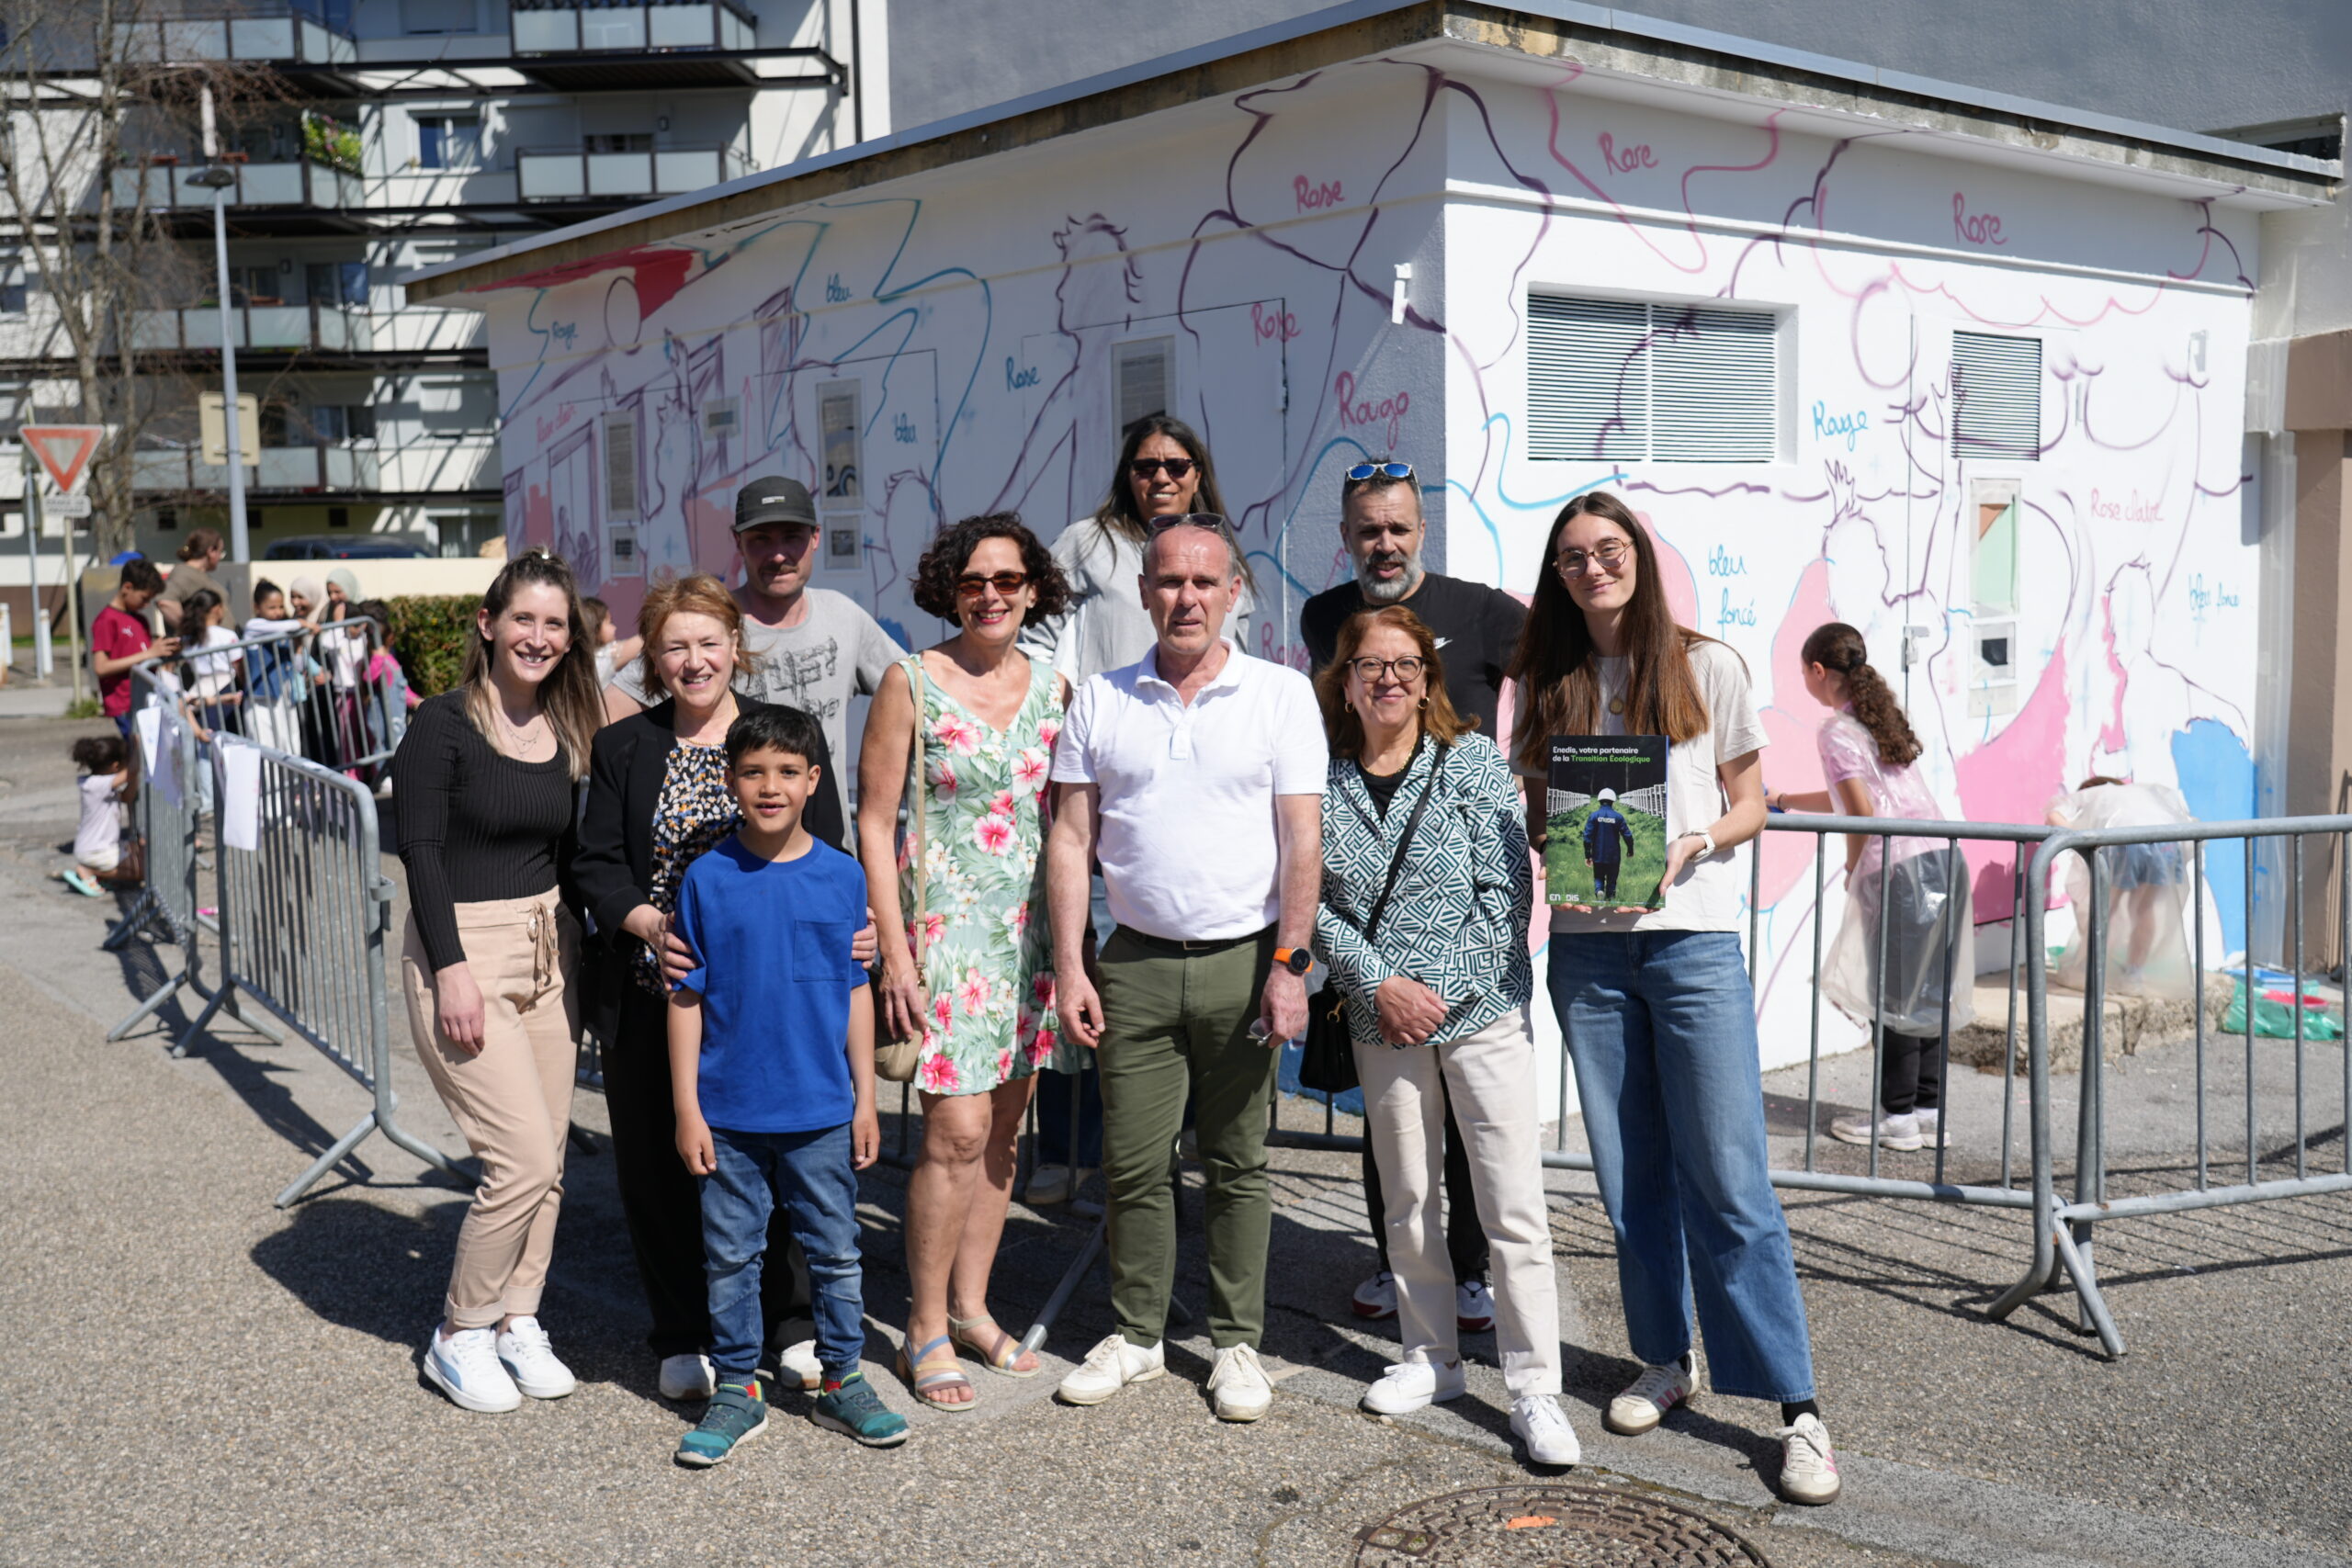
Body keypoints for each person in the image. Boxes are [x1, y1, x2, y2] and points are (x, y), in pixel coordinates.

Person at [1509, 491, 1840, 1506]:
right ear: (1555, 575)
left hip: (1691, 944)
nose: (1592, 568)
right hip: (1588, 955)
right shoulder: (1550, 679)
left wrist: (1695, 842)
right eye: (1572, 557)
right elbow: (1536, 813)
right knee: (1628, 1181)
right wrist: (1554, 845)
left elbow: (1749, 801)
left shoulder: (1709, 664)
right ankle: (1664, 1358)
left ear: (1638, 559)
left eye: (1607, 550)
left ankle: (1796, 1407)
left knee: (1730, 1181)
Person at [1046, 513, 1324, 1423]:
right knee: (1131, 1166)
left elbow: (1300, 841)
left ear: (1233, 593)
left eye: (1205, 582)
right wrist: (1072, 967)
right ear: (1143, 592)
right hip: (1133, 963)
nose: (1186, 597)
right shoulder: (1101, 698)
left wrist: (1290, 966)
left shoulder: (1280, 695)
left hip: (1246, 961)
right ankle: (1135, 1334)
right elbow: (1071, 836)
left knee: (1239, 1162)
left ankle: (1237, 1344)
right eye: (1168, 581)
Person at [576, 573, 865, 1404]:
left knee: (787, 1159)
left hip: (776, 998)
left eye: (709, 642)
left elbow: (830, 851)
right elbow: (596, 861)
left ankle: (787, 1322)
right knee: (665, 1161)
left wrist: (863, 932)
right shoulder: (624, 749)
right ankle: (680, 1329)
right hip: (655, 990)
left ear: (737, 645)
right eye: (675, 646)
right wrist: (646, 925)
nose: (694, 660)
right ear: (654, 659)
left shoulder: (783, 739)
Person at [1312, 605, 1577, 1467]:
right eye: (1370, 663)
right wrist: (1381, 985)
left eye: (1406, 664)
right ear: (1345, 679)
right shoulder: (1324, 780)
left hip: (1482, 1011)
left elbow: (1506, 894)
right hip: (1378, 1014)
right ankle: (1431, 1357)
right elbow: (1312, 901)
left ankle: (1536, 1386)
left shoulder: (1471, 764)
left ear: (1427, 678)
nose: (1388, 678)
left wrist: (1436, 992)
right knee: (1408, 1196)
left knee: (1510, 1206)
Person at [1298, 458, 1527, 1331]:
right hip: (1368, 894)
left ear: (1420, 529)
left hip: (1466, 901)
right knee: (1388, 1116)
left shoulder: (1484, 610)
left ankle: (1470, 1269)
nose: (1383, 543)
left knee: (1473, 1117)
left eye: (1397, 527)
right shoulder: (1326, 617)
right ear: (1348, 536)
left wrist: (1543, 785)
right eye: (1367, 529)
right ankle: (1399, 1262)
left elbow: (1565, 673)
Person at [855, 514, 1073, 1409]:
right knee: (952, 1131)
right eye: (974, 581)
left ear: (1033, 590)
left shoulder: (1058, 688)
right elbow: (872, 821)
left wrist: (1073, 944)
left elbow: (1068, 820)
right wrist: (894, 953)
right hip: (942, 939)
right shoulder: (911, 681)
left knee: (1003, 1135)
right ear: (950, 588)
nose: (991, 595)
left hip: (1027, 941)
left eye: (1008, 581)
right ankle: (923, 1327)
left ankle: (976, 1309)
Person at [1018, 416, 1256, 1205]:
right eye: (1145, 464)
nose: (1160, 476)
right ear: (1127, 472)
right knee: (1076, 948)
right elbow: (1044, 641)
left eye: (1177, 464)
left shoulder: (1224, 552)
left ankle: (1164, 1140)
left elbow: (1241, 659)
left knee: (1165, 961)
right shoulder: (1085, 543)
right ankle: (1063, 1144)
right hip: (1097, 758)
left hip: (1182, 780)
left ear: (1198, 471)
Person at [666, 706, 910, 1462]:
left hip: (820, 1110)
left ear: (812, 781)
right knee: (732, 1255)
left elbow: (854, 990)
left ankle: (842, 1379)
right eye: (752, 771)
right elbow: (686, 997)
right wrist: (686, 1108)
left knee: (836, 1250)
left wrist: (865, 1095)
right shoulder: (705, 877)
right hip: (730, 1112)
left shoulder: (843, 875)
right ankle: (738, 1387)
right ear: (730, 779)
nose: (769, 786)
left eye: (785, 771)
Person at [391, 547, 604, 1416]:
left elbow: (557, 851)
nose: (540, 636)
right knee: (514, 1159)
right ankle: (460, 1331)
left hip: (548, 948)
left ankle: (520, 1316)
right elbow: (421, 850)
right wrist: (450, 968)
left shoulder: (564, 726)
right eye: (524, 618)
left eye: (556, 623)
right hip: (464, 950)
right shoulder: (442, 724)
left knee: (548, 1160)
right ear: (487, 623)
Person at [603, 475, 904, 842]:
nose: (778, 555)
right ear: (738, 543)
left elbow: (916, 695)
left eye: (791, 536)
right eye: (761, 539)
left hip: (821, 850)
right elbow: (609, 717)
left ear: (815, 538)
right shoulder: (709, 625)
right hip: (724, 852)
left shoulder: (844, 617)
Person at [1769, 623, 1974, 1153]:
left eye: (1804, 674)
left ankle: (1895, 1117)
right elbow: (1858, 797)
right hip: (1943, 860)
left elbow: (1861, 813)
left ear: (1818, 671)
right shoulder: (1874, 719)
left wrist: (1851, 869)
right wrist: (1787, 797)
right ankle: (1926, 1110)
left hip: (1898, 873)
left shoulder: (1835, 730)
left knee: (1895, 997)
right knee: (1928, 992)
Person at [2044, 775, 2198, 999]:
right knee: (2145, 909)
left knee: (2108, 908)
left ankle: (2096, 971)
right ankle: (2133, 974)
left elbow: (2053, 815)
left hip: (2122, 838)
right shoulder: (2143, 792)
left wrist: (2082, 838)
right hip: (2165, 840)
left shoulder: (2090, 794)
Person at [92, 558, 179, 739]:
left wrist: (165, 650)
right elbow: (101, 667)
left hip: (147, 699)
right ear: (127, 587)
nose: (147, 605)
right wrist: (149, 653)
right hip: (125, 704)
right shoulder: (107, 620)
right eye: (144, 598)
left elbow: (144, 656)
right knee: (138, 758)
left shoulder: (140, 620)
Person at [241, 580, 316, 756]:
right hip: (260, 700)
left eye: (281, 607)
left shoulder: (284, 632)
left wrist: (298, 647)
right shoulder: (254, 627)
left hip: (283, 697)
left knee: (289, 743)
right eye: (272, 607)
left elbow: (297, 666)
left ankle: (293, 782)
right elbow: (287, 625)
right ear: (257, 607)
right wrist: (301, 624)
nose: (278, 612)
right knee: (264, 745)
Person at [61, 734, 133, 897]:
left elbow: (127, 797)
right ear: (115, 766)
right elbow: (131, 772)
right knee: (140, 870)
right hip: (96, 851)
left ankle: (97, 874)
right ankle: (90, 871)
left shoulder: (95, 784)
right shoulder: (97, 785)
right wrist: (139, 755)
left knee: (136, 855)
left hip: (95, 847)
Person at [154, 528, 227, 636]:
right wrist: (196, 634)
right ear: (211, 551)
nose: (220, 558)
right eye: (221, 552)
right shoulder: (184, 573)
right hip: (206, 650)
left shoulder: (196, 574)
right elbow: (165, 602)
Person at [1584, 788, 1634, 903]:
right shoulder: (1618, 817)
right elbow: (1628, 835)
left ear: (1599, 800)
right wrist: (1630, 850)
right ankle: (1610, 897)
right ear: (1613, 801)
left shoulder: (1593, 816)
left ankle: (1599, 891)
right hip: (1614, 855)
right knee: (1612, 879)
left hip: (1598, 854)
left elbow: (1587, 837)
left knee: (1598, 876)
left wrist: (1588, 855)